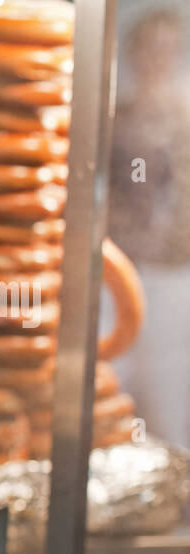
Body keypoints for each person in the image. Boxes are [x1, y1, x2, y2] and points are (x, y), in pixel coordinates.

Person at [107, 6, 190, 449]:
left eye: (166, 49)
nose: (156, 58)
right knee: (114, 383)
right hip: (118, 270)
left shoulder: (185, 119)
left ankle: (177, 492)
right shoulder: (117, 118)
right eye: (148, 48)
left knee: (168, 394)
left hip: (171, 276)